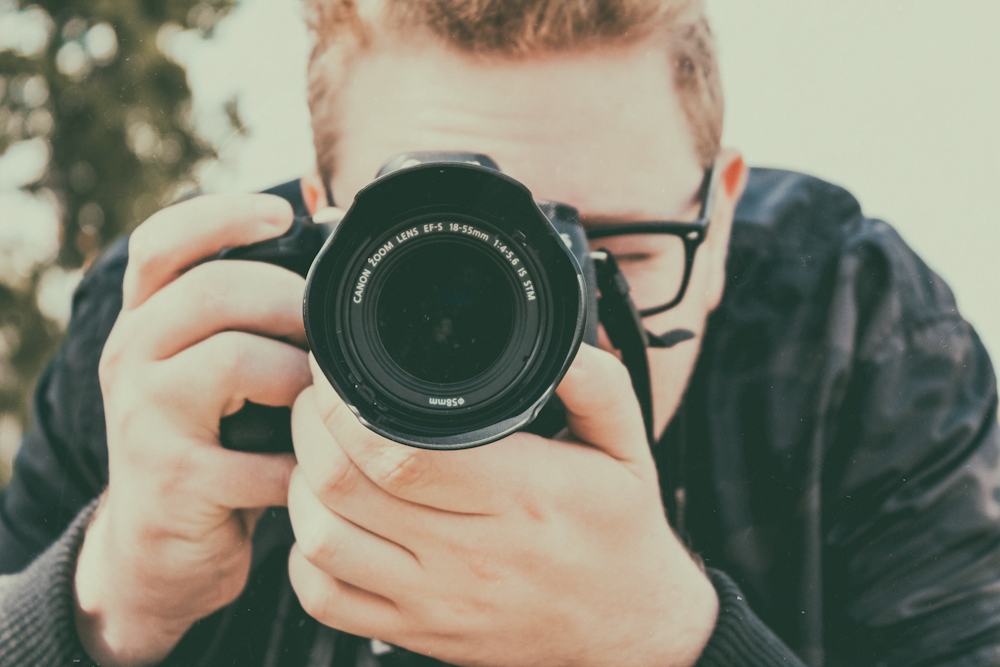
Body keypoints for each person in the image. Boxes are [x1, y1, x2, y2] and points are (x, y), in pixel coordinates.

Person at [1, 0, 999, 665]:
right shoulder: (174, 334)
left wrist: (672, 637)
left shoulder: (858, 333)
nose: (539, 342)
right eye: (439, 272)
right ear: (319, 215)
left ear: (721, 213)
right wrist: (100, 602)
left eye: (606, 255)